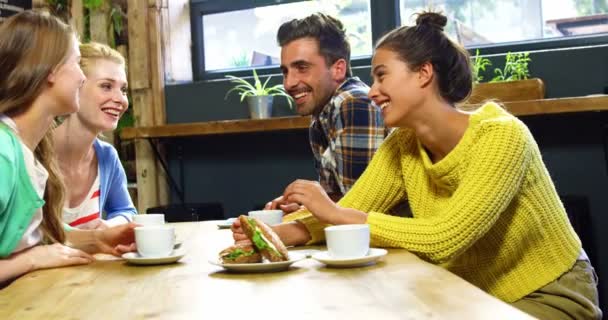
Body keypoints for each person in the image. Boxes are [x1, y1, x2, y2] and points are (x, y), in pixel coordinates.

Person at [235, 11, 603, 319]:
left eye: (382, 75)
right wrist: (274, 235)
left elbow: (444, 238)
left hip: (546, 295)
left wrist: (330, 212)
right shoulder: (403, 145)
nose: (373, 90)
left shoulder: (501, 136)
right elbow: (353, 208)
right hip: (467, 294)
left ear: (424, 73)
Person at [0, 11, 136, 285]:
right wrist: (32, 259)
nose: (82, 77)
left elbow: (33, 233)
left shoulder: (27, 149)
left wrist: (97, 239)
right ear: (49, 69)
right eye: (76, 63)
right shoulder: (3, 152)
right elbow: (31, 250)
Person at [264, 13, 389, 213]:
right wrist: (303, 204)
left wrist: (301, 218)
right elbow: (341, 199)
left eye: (302, 67)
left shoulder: (352, 102)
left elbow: (361, 210)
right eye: (285, 71)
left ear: (338, 69)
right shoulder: (321, 114)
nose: (288, 83)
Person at [53, 42, 136, 229]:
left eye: (123, 90)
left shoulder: (106, 156)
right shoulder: (34, 154)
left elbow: (126, 211)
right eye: (106, 86)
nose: (121, 100)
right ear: (75, 86)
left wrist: (108, 226)